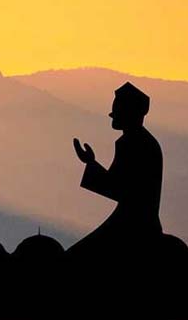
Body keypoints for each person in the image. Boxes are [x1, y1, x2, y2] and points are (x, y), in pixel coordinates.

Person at [68, 82, 163, 256]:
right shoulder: (142, 141)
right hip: (139, 222)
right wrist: (91, 163)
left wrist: (90, 163)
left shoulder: (131, 143)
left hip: (132, 225)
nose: (112, 116)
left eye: (117, 112)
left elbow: (117, 189)